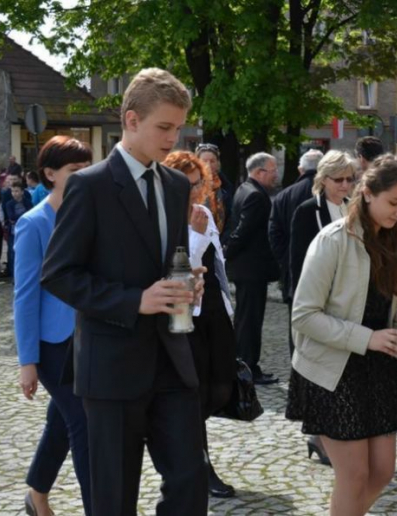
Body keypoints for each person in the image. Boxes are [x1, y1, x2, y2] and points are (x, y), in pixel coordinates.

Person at [41, 68, 208, 516]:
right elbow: (58, 274)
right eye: (165, 127)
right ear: (131, 120)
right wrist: (135, 300)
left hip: (171, 359)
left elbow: (163, 259)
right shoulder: (88, 186)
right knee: (114, 500)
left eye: (179, 128)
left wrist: (187, 280)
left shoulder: (175, 186)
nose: (175, 139)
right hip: (111, 367)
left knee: (191, 483)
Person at [290, 154, 397, 516]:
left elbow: (389, 306)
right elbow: (303, 315)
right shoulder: (332, 240)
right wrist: (369, 338)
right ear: (367, 193)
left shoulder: (392, 240)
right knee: (355, 475)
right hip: (333, 370)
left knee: (382, 471)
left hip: (377, 369)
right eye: (394, 203)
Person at [14, 135, 93, 516]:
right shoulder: (33, 224)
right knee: (84, 424)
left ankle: (36, 496)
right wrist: (27, 361)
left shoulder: (87, 215)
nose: (83, 176)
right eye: (74, 170)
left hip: (90, 338)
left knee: (62, 422)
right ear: (49, 173)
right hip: (52, 346)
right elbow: (25, 297)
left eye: (86, 169)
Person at [162, 151, 237, 500]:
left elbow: (217, 265)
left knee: (221, 388)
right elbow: (179, 268)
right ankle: (199, 465)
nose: (194, 191)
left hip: (214, 314)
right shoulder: (163, 218)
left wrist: (228, 305)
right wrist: (194, 235)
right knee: (193, 394)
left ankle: (185, 442)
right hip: (183, 316)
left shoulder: (204, 213)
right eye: (186, 184)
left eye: (197, 183)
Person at [285, 150, 355, 466]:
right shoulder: (306, 211)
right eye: (338, 179)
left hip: (347, 303)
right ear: (322, 179)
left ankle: (331, 432)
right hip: (318, 303)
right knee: (319, 371)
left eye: (349, 179)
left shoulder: (352, 209)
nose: (344, 185)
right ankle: (319, 434)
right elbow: (298, 262)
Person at [224, 152, 281, 385]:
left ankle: (242, 364)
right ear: (259, 172)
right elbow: (243, 231)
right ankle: (248, 369)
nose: (276, 174)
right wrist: (227, 253)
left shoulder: (243, 188)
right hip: (251, 269)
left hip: (247, 268)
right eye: (273, 170)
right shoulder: (256, 195)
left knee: (245, 320)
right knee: (250, 321)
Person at [268, 148, 324, 354]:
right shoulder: (328, 195)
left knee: (297, 323)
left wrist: (286, 260)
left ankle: (297, 367)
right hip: (324, 271)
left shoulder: (283, 195)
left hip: (293, 272)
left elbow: (274, 234)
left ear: (300, 169)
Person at [196, 143, 234, 241]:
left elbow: (230, 217)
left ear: (218, 163)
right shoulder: (191, 185)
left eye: (212, 161)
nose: (208, 165)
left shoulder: (226, 186)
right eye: (204, 161)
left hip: (219, 242)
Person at [4, 179, 33, 281]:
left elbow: (31, 214)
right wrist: (23, 215)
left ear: (22, 191)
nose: (14, 193)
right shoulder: (9, 204)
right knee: (12, 253)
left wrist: (20, 217)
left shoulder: (27, 202)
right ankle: (14, 276)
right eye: (13, 191)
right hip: (13, 232)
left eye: (16, 191)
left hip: (26, 231)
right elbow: (11, 217)